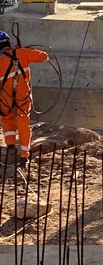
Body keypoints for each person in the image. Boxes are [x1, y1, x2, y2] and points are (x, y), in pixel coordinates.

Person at [0, 31, 49, 165]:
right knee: (23, 121)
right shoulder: (22, 53)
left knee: (6, 117)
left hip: (5, 96)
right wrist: (26, 51)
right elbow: (45, 56)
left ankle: (10, 145)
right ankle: (24, 155)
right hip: (23, 95)